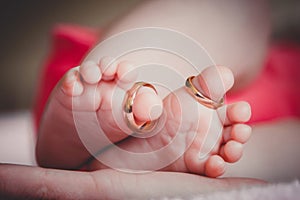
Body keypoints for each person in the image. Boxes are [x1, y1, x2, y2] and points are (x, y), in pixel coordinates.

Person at [1, 0, 300, 199]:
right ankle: (134, 89)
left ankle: (144, 154)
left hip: (214, 141)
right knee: (240, 9)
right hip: (103, 85)